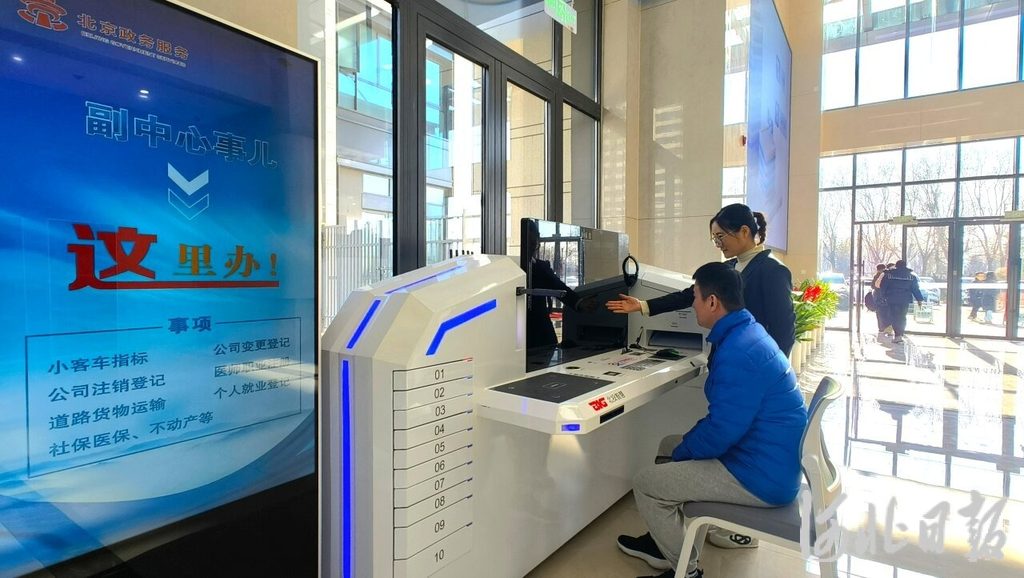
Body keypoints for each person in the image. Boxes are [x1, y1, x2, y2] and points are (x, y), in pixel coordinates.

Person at [615, 262, 807, 578]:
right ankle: (666, 544)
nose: (693, 304)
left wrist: (684, 454)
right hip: (770, 458)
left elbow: (722, 430)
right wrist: (682, 450)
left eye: (695, 297)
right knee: (668, 444)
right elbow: (726, 423)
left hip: (760, 476)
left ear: (713, 302)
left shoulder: (739, 352)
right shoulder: (748, 332)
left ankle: (687, 571)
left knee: (646, 483)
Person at [605, 204, 796, 356]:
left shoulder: (773, 270)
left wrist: (773, 373)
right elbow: (689, 295)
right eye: (714, 238)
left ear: (744, 231)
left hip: (753, 363)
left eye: (720, 236)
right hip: (726, 356)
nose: (718, 244)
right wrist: (642, 305)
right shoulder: (729, 267)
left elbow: (784, 331)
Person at [522, 219, 580, 349]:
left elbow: (560, 288)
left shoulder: (542, 267)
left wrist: (580, 303)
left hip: (541, 332)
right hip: (517, 331)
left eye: (533, 245)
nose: (531, 249)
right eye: (527, 245)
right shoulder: (511, 269)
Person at [879, 260, 924, 344]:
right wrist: (919, 300)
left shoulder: (889, 275)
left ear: (896, 266)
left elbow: (883, 287)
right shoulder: (911, 277)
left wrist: (883, 297)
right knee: (902, 317)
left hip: (892, 299)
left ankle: (897, 335)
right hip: (905, 300)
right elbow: (915, 289)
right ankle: (900, 334)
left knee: (894, 317)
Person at [868, 263, 891, 338]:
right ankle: (886, 328)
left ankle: (881, 328)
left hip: (878, 297)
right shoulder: (887, 275)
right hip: (884, 297)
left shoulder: (877, 275)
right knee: (885, 313)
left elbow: (873, 286)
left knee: (879, 313)